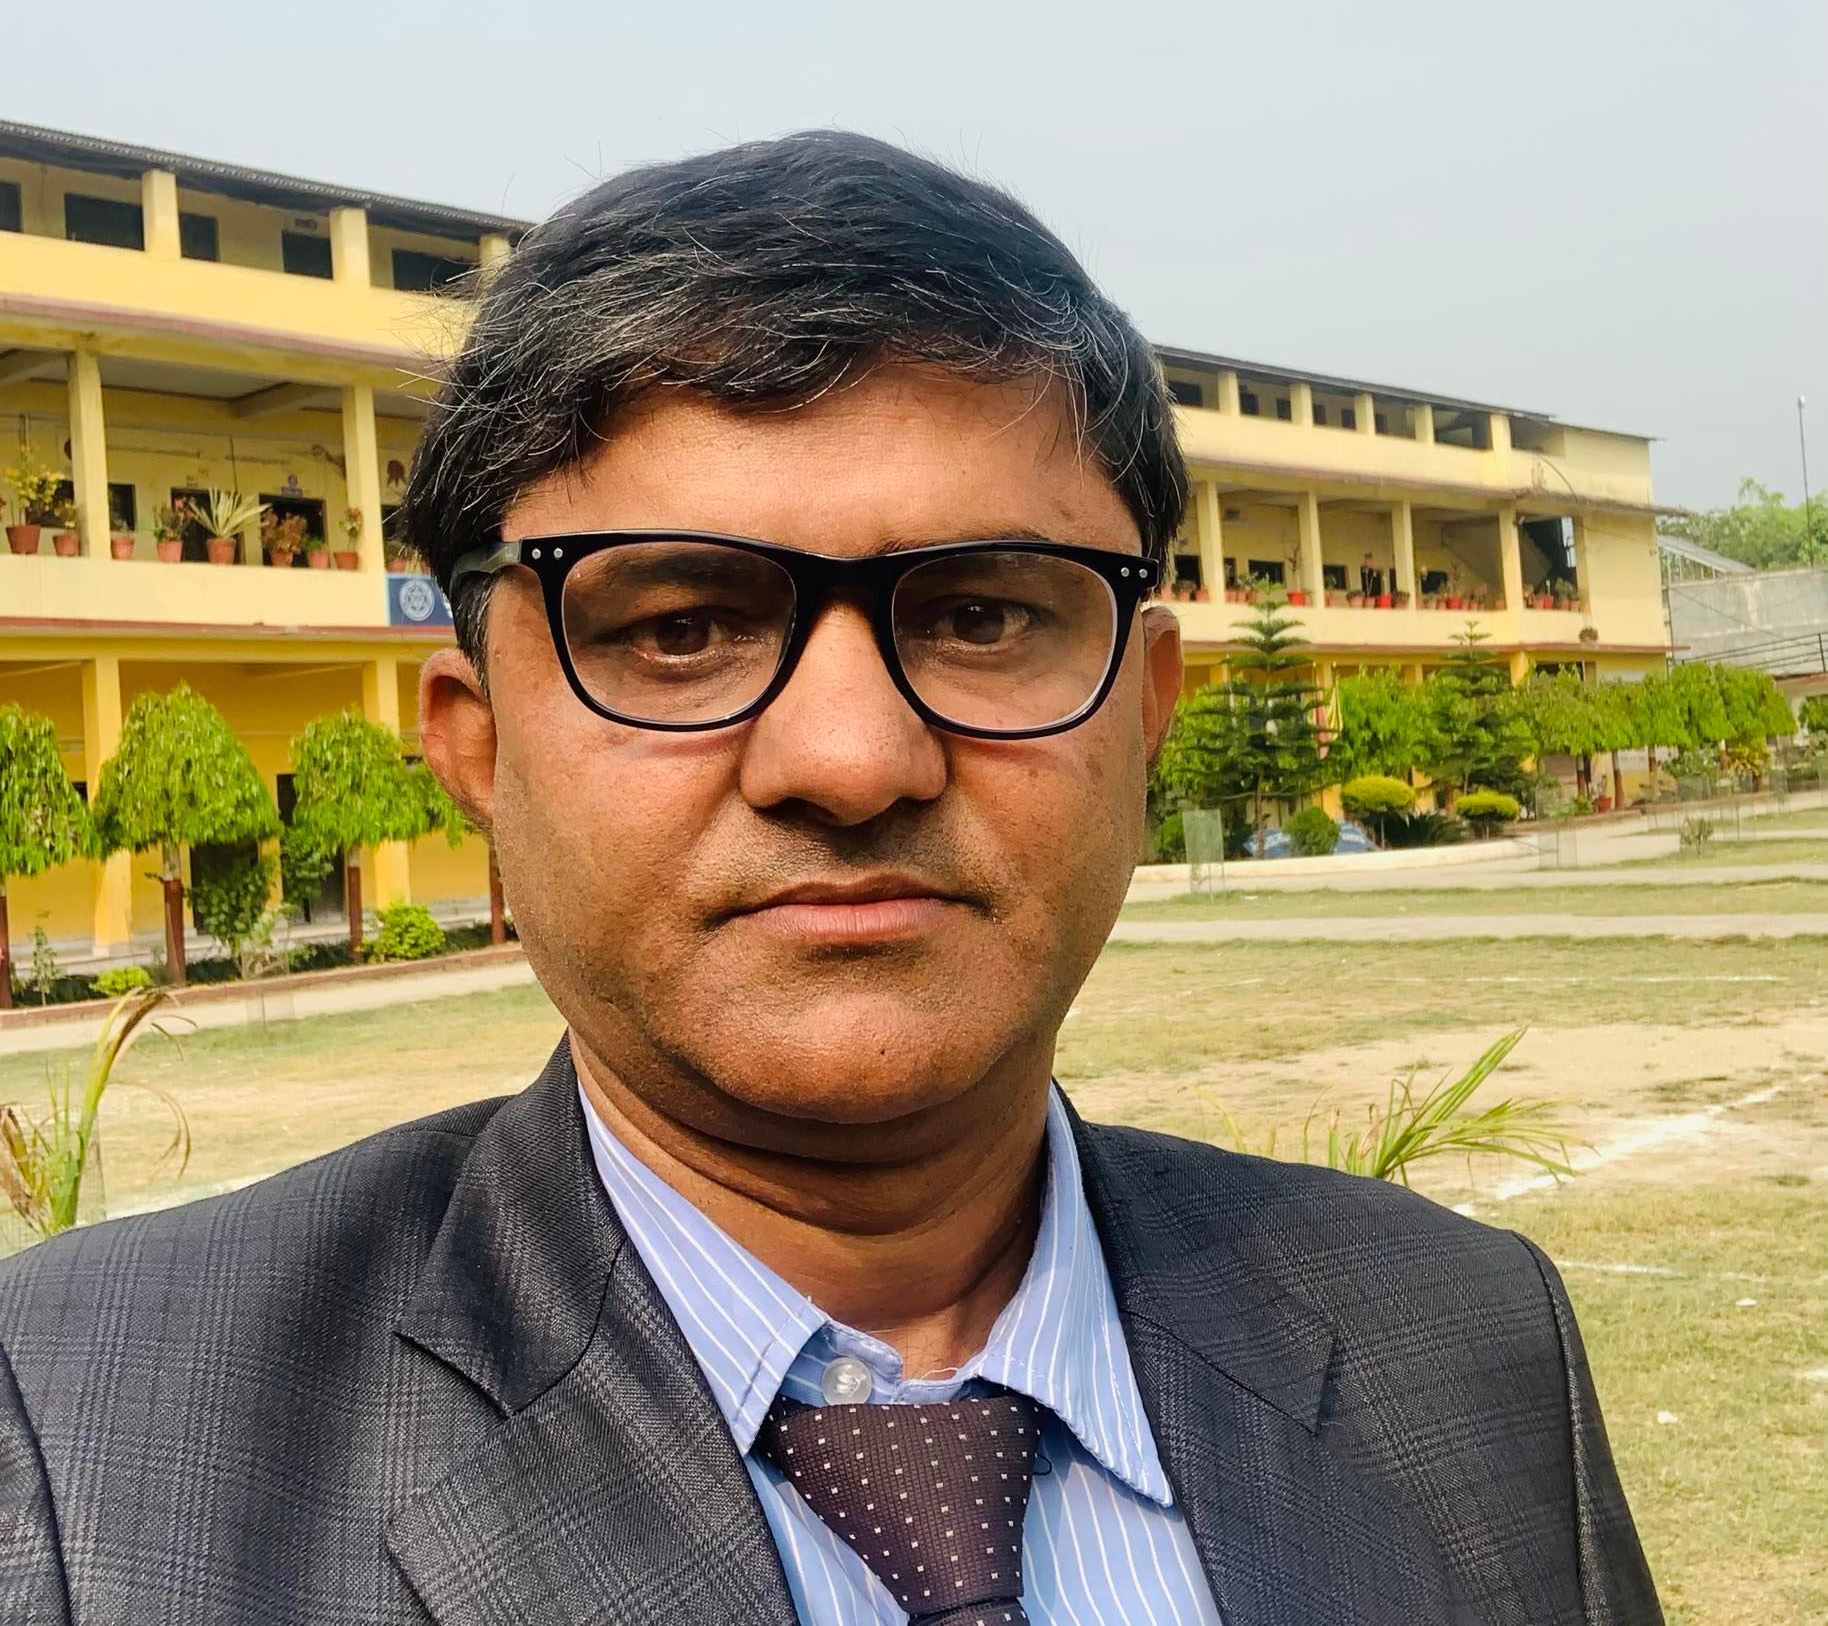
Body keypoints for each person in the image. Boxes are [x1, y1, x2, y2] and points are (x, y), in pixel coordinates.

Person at [0, 133, 1662, 1625]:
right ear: (479, 744)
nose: (855, 759)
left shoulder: (1462, 1348)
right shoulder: (83, 1450)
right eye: (680, 628)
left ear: (1147, 709)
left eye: (983, 614)